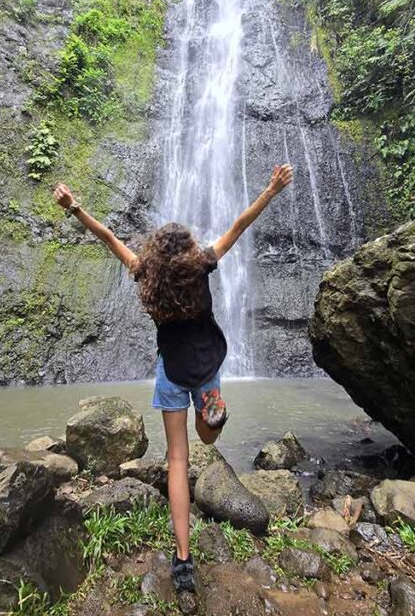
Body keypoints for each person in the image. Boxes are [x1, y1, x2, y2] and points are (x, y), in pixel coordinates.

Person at [52, 163, 293, 593]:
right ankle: (213, 416)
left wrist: (75, 208)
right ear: (187, 250)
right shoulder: (203, 264)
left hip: (170, 371)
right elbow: (239, 224)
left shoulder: (145, 272)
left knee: (178, 461)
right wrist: (271, 189)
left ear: (156, 254)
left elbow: (108, 237)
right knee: (208, 439)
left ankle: (183, 561)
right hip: (207, 364)